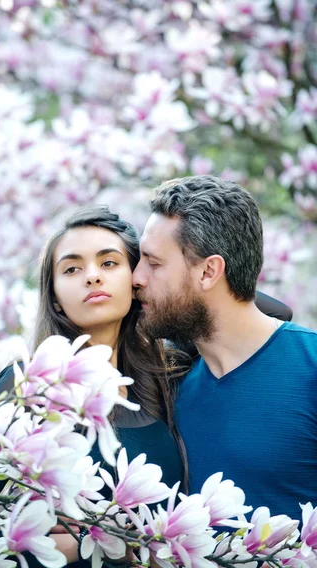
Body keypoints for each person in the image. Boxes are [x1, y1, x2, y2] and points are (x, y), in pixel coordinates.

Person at [0, 206, 291, 566]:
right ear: (55, 296)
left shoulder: (165, 376)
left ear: (136, 278)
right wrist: (54, 542)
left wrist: (170, 273)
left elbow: (273, 314)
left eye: (108, 263)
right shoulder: (32, 385)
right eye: (72, 269)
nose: (92, 277)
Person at [132, 175, 317, 524]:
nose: (136, 277)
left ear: (208, 272)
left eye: (154, 264)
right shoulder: (169, 388)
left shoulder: (310, 369)